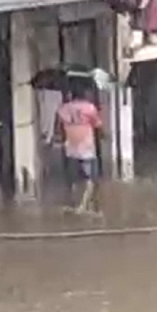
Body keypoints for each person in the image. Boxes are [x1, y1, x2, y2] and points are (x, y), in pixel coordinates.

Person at [53, 86, 103, 215]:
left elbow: (58, 127)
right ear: (85, 94)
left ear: (71, 94)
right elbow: (98, 125)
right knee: (90, 177)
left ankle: (73, 202)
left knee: (72, 176)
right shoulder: (90, 108)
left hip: (71, 145)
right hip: (86, 146)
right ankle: (85, 205)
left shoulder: (63, 108)